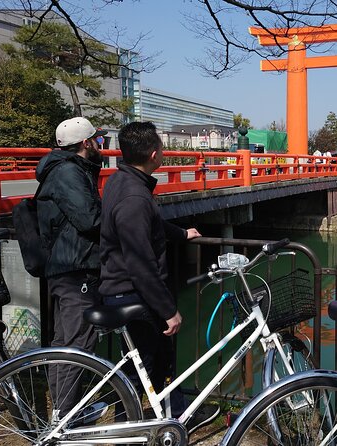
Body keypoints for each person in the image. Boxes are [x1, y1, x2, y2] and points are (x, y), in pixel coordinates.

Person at [99, 121, 213, 432]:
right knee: (141, 369)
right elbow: (140, 265)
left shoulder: (121, 181)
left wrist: (180, 233)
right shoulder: (134, 197)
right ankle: (127, 430)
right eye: (162, 148)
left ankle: (176, 417)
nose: (163, 152)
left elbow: (151, 226)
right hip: (133, 293)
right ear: (154, 154)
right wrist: (168, 310)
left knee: (162, 362)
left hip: (127, 289)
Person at [36, 116, 106, 421]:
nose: (100, 144)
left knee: (65, 343)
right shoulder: (68, 172)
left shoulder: (65, 170)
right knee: (78, 344)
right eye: (98, 140)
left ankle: (65, 410)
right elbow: (89, 219)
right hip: (75, 268)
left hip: (66, 267)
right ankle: (65, 417)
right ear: (85, 143)